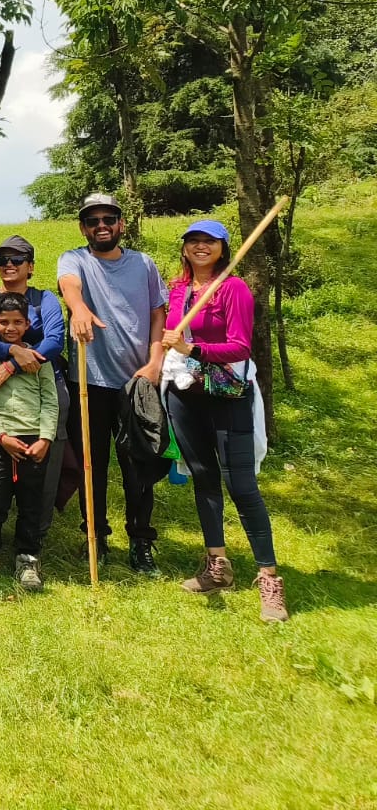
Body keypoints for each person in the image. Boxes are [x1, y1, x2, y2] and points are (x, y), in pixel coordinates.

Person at [154, 220, 287, 622]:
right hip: (185, 396)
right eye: (193, 241)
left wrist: (191, 347)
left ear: (223, 248)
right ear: (184, 249)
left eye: (208, 242)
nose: (199, 247)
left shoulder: (233, 289)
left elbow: (240, 346)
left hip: (227, 394)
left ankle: (269, 579)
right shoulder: (178, 290)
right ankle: (218, 566)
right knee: (204, 479)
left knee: (241, 484)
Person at [57, 192, 169, 575]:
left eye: (108, 219)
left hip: (137, 382)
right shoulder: (75, 259)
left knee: (138, 465)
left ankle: (141, 542)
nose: (101, 226)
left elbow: (158, 313)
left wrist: (155, 362)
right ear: (83, 228)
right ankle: (96, 537)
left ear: (120, 224)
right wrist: (80, 307)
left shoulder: (144, 264)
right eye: (93, 221)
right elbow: (69, 284)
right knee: (93, 464)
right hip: (88, 380)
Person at [0, 235, 71, 549]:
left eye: (16, 259)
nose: (8, 265)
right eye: (2, 259)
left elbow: (55, 341)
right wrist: (12, 350)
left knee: (45, 458)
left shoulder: (44, 299)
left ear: (30, 266)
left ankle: (36, 534)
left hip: (41, 385)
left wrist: (11, 366)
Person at [0, 293, 58, 591]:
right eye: (4, 322)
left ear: (28, 324)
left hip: (34, 442)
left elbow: (50, 401)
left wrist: (46, 437)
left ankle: (28, 557)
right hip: (2, 441)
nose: (11, 327)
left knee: (30, 504)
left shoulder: (38, 358)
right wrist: (1, 436)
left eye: (18, 322)